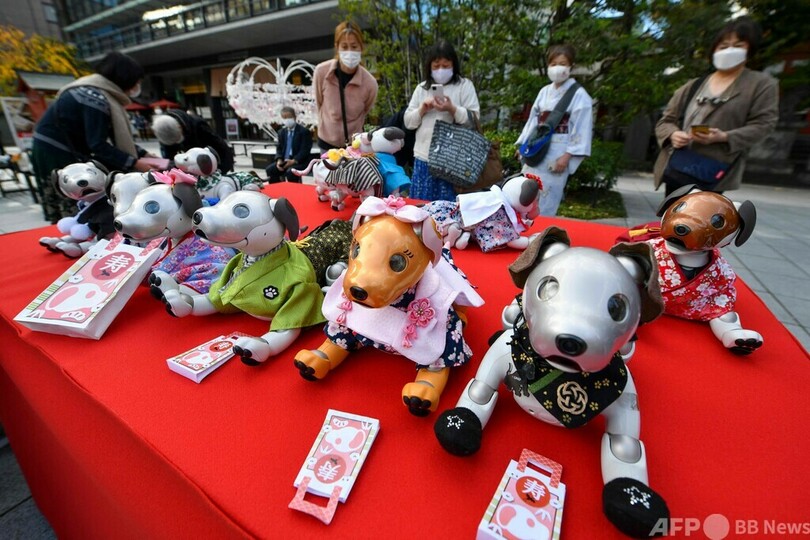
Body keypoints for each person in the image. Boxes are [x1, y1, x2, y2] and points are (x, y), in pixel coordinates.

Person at [654, 17, 778, 195]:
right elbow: (666, 120)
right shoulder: (694, 85)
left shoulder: (761, 85)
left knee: (703, 218)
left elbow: (764, 124)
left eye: (738, 45)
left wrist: (725, 136)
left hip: (714, 169)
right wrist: (673, 134)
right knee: (671, 217)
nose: (729, 51)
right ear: (714, 49)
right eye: (724, 45)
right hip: (679, 164)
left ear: (750, 49)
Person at [32, 51, 156, 222]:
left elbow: (114, 138)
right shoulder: (95, 98)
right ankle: (79, 231)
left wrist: (143, 154)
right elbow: (98, 144)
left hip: (54, 148)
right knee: (76, 197)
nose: (138, 85)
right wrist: (135, 163)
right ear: (125, 78)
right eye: (137, 81)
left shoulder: (95, 92)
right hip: (58, 154)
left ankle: (78, 230)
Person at [515, 44, 593, 216]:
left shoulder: (579, 95)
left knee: (548, 198)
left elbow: (582, 127)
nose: (558, 67)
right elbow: (533, 121)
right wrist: (522, 145)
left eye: (563, 63)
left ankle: (543, 236)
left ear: (571, 66)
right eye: (553, 63)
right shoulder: (544, 91)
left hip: (558, 152)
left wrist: (567, 156)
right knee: (524, 195)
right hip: (537, 148)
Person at [403, 40, 481, 201]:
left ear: (454, 65)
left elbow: (474, 119)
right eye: (436, 66)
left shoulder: (464, 85)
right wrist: (423, 109)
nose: (441, 70)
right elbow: (408, 122)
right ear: (429, 67)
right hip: (423, 158)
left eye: (446, 66)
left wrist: (451, 108)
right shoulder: (422, 88)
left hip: (452, 161)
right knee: (421, 208)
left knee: (449, 212)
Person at [313, 21, 378, 152]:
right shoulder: (321, 72)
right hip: (327, 145)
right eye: (345, 46)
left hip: (354, 147)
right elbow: (319, 103)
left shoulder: (370, 83)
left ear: (361, 47)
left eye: (354, 46)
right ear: (337, 47)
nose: (350, 52)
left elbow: (365, 111)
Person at [152, 109, 235, 173]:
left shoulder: (198, 126)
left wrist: (221, 170)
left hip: (209, 163)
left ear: (179, 127)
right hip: (190, 167)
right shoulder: (163, 131)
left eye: (177, 139)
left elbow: (221, 149)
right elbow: (169, 158)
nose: (177, 142)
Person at [265, 106, 313, 183]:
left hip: (299, 161)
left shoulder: (304, 132)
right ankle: (278, 189)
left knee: (290, 172)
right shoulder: (281, 132)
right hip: (284, 160)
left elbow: (305, 150)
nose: (287, 120)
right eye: (284, 118)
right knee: (270, 170)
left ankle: (294, 192)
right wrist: (279, 160)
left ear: (294, 117)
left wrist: (293, 161)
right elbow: (279, 148)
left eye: (289, 117)